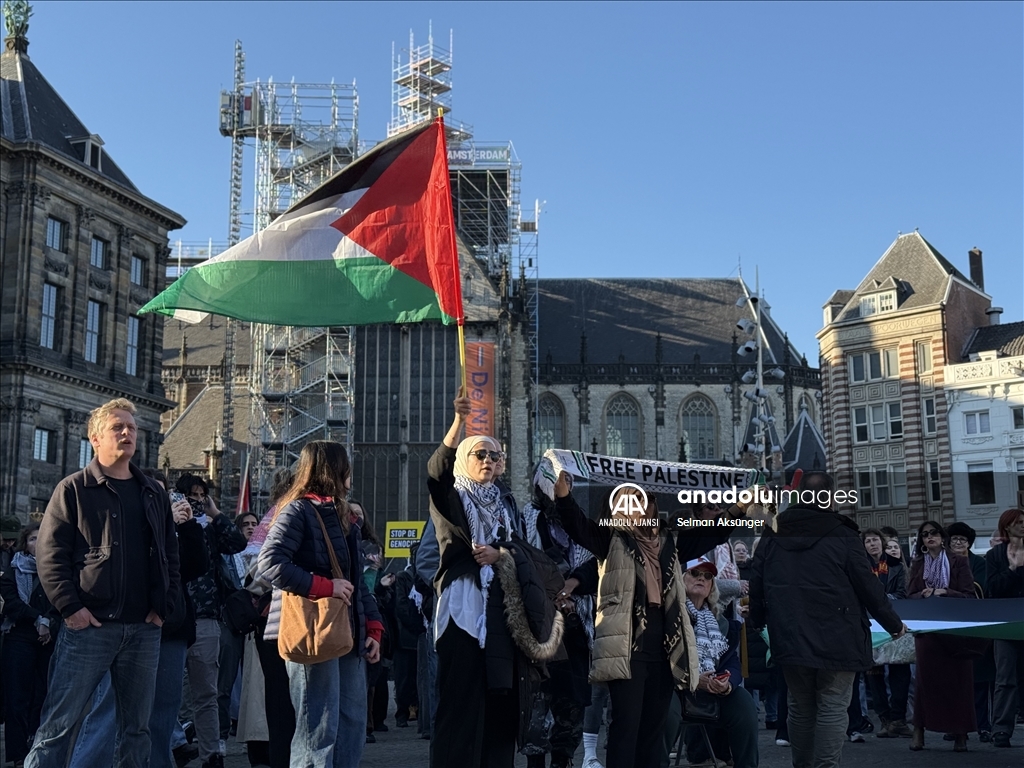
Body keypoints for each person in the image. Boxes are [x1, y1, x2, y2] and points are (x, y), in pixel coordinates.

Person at [26, 398, 180, 768]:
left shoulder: (153, 492)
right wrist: (72, 610)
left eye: (132, 427)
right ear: (95, 438)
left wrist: (164, 608)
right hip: (89, 628)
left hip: (143, 629)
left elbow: (170, 556)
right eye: (118, 427)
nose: (127, 433)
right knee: (58, 727)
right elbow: (50, 557)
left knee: (136, 731)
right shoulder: (73, 489)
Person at [552, 480, 746, 768]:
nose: (640, 506)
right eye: (631, 501)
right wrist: (564, 496)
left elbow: (710, 534)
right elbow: (577, 526)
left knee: (653, 729)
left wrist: (740, 507)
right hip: (628, 644)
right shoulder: (610, 539)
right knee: (626, 724)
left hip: (665, 643)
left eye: (645, 500)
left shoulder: (668, 540)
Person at [748, 470, 905, 768]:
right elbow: (868, 585)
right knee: (833, 706)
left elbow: (757, 580)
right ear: (830, 497)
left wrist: (758, 620)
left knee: (800, 706)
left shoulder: (774, 531)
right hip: (839, 633)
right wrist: (893, 625)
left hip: (789, 631)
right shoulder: (843, 533)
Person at [258, 440, 383, 768]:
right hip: (314, 632)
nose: (351, 475)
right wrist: (324, 586)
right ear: (335, 469)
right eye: (347, 467)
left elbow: (356, 582)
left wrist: (373, 626)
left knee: (350, 728)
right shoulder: (298, 509)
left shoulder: (343, 515)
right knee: (318, 732)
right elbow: (270, 564)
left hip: (348, 634)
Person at [426, 393, 526, 768]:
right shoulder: (451, 498)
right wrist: (457, 423)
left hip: (503, 610)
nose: (487, 460)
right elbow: (435, 473)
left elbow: (524, 553)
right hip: (464, 610)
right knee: (460, 704)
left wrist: (502, 555)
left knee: (501, 705)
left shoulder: (508, 504)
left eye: (494, 456)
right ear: (464, 461)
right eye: (479, 454)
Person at [521, 459, 598, 768]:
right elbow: (522, 559)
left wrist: (573, 585)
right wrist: (554, 593)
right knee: (539, 699)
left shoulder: (584, 520)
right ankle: (536, 761)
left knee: (572, 701)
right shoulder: (528, 519)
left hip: (576, 622)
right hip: (540, 622)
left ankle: (563, 759)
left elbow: (597, 561)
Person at [175, 473, 247, 768]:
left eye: (202, 494)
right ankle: (174, 744)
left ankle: (210, 754)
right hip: (171, 616)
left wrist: (215, 514)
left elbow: (238, 543)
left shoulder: (210, 528)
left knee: (207, 691)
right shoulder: (166, 519)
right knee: (171, 693)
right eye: (191, 494)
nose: (197, 500)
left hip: (205, 615)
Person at [669, 555, 759, 768]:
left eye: (707, 576)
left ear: (712, 586)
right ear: (680, 579)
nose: (701, 578)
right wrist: (692, 678)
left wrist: (726, 683)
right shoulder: (669, 616)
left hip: (711, 688)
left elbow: (732, 664)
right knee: (664, 710)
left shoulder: (722, 623)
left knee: (744, 704)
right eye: (694, 573)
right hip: (674, 687)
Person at [906, 520, 977, 752]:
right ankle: (919, 731)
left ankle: (960, 733)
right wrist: (924, 595)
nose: (930, 537)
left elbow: (969, 596)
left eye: (934, 533)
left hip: (955, 628)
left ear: (942, 536)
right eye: (925, 534)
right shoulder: (917, 563)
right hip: (928, 629)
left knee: (959, 682)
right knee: (925, 682)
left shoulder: (959, 561)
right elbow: (909, 596)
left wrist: (945, 591)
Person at [246, 467, 296, 768]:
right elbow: (258, 571)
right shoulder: (286, 514)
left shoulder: (271, 516)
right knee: (286, 704)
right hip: (283, 618)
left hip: (274, 619)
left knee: (280, 703)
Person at [1, 524, 60, 766]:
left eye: (42, 538)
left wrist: (48, 622)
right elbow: (11, 601)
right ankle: (17, 755)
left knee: (44, 695)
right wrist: (39, 619)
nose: (38, 542)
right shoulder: (13, 570)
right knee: (17, 697)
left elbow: (61, 598)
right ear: (25, 543)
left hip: (49, 638)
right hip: (20, 636)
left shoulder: (56, 569)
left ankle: (38, 747)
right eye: (33, 538)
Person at [859, 528, 911, 739]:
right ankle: (885, 719)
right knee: (874, 674)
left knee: (901, 669)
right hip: (871, 624)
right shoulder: (860, 566)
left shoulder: (896, 565)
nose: (872, 544)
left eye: (875, 540)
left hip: (895, 620)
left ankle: (898, 719)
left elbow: (902, 593)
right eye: (868, 541)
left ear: (882, 543)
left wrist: (881, 600)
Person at [985, 508, 1024, 749]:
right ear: (1007, 527)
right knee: (1005, 678)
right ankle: (1001, 728)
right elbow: (993, 590)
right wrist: (1012, 568)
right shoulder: (995, 555)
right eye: (1019, 522)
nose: (1023, 525)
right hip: (1005, 624)